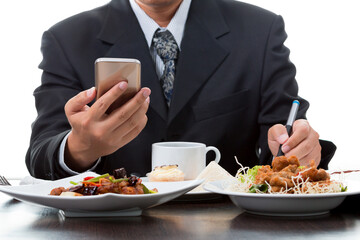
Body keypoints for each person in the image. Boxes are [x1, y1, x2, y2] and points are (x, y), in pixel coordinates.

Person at [26, 0, 336, 180]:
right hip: (109, 228)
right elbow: (40, 155)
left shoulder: (260, 31)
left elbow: (287, 134)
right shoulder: (66, 40)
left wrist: (301, 149)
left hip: (231, 227)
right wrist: (83, 147)